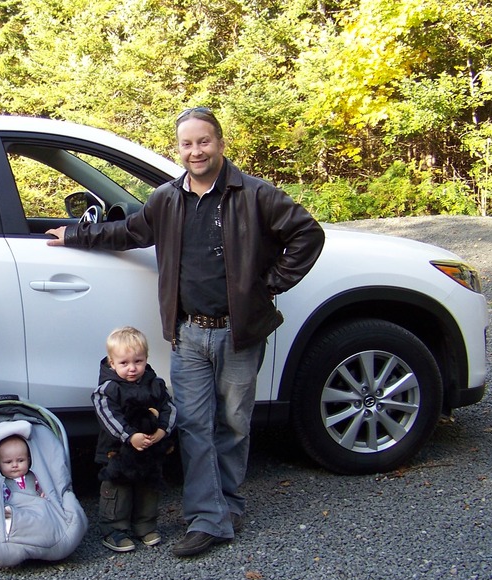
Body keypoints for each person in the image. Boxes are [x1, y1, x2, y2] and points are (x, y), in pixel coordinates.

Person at [46, 108, 325, 557]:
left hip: (239, 332)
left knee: (233, 423)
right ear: (179, 149)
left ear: (219, 143)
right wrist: (78, 235)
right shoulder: (167, 199)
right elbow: (129, 231)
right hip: (189, 333)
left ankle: (227, 504)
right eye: (187, 144)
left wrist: (267, 284)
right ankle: (206, 519)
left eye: (203, 142)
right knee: (195, 425)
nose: (195, 152)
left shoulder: (255, 195)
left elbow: (307, 235)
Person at [92, 326, 176, 553]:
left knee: (149, 488)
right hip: (117, 453)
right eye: (124, 363)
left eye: (138, 361)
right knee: (119, 490)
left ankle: (145, 525)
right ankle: (115, 530)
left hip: (149, 451)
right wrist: (129, 436)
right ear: (112, 363)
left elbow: (169, 408)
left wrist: (162, 431)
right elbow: (109, 417)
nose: (132, 368)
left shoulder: (155, 384)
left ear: (146, 359)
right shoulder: (108, 389)